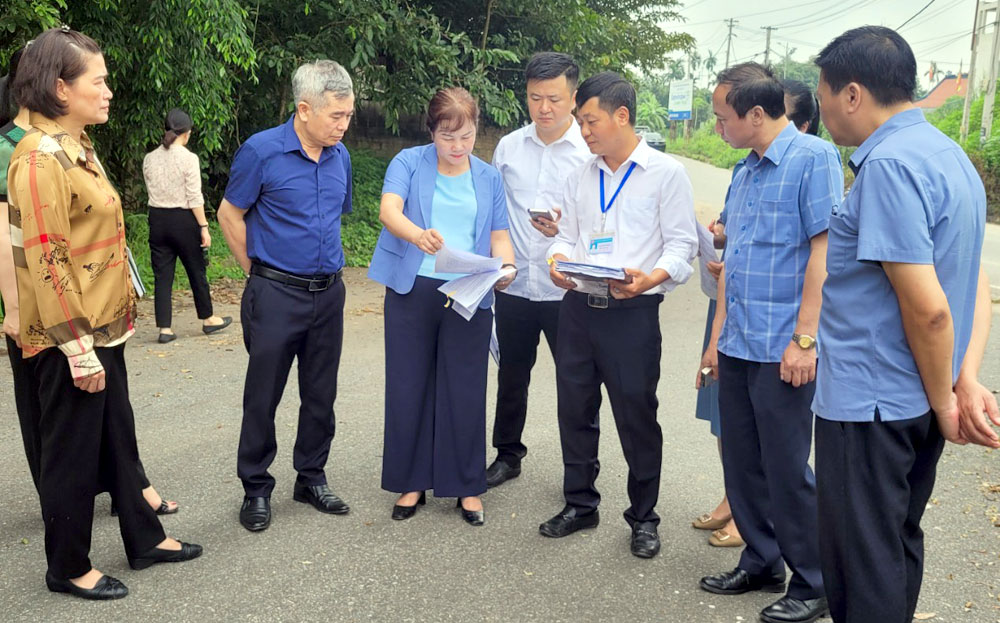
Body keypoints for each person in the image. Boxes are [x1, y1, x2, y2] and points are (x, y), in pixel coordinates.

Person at [7, 27, 201, 601]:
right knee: (71, 455)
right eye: (100, 81)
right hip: (73, 337)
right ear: (61, 89)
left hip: (103, 327)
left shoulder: (78, 146)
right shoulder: (41, 159)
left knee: (120, 439)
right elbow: (48, 261)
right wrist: (76, 346)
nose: (110, 90)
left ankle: (145, 539)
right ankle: (67, 566)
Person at [812, 26, 997, 623]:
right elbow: (976, 285)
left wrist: (949, 395)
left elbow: (932, 306)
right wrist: (961, 381)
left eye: (821, 94)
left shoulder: (889, 166)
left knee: (860, 566)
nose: (821, 108)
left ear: (852, 94)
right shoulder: (949, 157)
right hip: (912, 401)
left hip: (872, 404)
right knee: (894, 546)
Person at [697, 62, 841, 623]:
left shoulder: (813, 160)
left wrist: (806, 339)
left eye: (722, 118)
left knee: (786, 467)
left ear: (757, 113)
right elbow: (735, 250)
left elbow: (824, 254)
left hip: (784, 345)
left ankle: (814, 581)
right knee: (742, 461)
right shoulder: (744, 169)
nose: (718, 128)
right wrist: (716, 338)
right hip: (738, 340)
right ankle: (762, 561)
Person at [543, 72, 699, 558]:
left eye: (589, 121)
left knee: (636, 416)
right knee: (574, 410)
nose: (583, 131)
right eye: (579, 122)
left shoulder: (665, 173)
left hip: (632, 314)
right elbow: (568, 237)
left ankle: (643, 517)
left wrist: (650, 279)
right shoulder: (580, 174)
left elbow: (683, 245)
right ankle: (580, 504)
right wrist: (557, 261)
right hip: (578, 311)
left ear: (621, 116)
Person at [369, 87, 515, 526]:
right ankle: (411, 481)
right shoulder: (408, 163)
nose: (457, 147)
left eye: (467, 137)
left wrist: (505, 266)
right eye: (448, 137)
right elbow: (388, 210)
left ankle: (467, 485)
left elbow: (499, 235)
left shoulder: (489, 177)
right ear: (430, 130)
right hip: (413, 288)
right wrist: (416, 234)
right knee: (408, 384)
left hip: (468, 291)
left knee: (465, 388)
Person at [218, 60, 354, 532]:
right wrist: (255, 273)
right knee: (264, 395)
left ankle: (310, 476)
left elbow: (335, 218)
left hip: (328, 294)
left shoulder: (341, 157)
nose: (344, 125)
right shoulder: (262, 152)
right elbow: (229, 214)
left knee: (321, 394)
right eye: (336, 116)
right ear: (303, 110)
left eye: (349, 115)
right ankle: (255, 487)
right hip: (275, 293)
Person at [485, 52, 590, 489]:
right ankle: (507, 454)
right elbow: (492, 213)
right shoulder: (509, 147)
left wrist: (564, 226)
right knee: (511, 375)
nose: (543, 108)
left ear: (574, 98)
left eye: (553, 98)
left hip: (567, 289)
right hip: (515, 284)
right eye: (534, 98)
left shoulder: (588, 151)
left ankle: (580, 471)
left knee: (576, 382)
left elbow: (604, 220)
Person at [142, 107, 231, 343]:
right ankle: (208, 319)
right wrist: (204, 226)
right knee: (196, 270)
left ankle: (165, 329)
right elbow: (194, 196)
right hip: (183, 219)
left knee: (162, 276)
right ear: (187, 133)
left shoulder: (149, 158)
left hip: (157, 219)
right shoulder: (189, 159)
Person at [690, 218, 743, 549]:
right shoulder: (743, 172)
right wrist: (720, 235)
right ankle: (732, 498)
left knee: (752, 420)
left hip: (762, 309)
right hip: (724, 302)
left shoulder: (807, 166)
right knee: (723, 415)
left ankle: (751, 511)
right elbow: (727, 234)